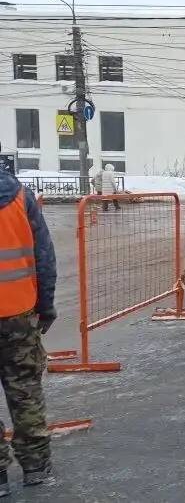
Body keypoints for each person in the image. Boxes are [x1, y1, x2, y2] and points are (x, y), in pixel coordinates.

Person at [0, 163, 57, 494]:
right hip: (19, 313)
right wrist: (45, 307)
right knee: (25, 391)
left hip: (20, 311)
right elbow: (44, 257)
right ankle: (35, 466)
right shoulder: (21, 196)